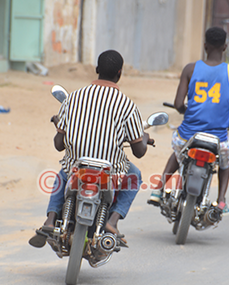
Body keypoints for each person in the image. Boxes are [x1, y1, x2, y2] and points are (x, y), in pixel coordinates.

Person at [29, 50, 152, 248]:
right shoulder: (127, 106)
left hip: (78, 165)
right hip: (110, 169)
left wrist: (59, 126)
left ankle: (50, 220)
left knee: (63, 173)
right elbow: (139, 151)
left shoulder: (73, 99)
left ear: (96, 70)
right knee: (134, 175)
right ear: (120, 73)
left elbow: (59, 145)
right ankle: (112, 222)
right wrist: (143, 138)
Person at [147, 27, 229, 215]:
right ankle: (221, 201)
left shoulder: (190, 69)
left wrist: (188, 111)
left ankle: (159, 189)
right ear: (225, 47)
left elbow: (178, 104)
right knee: (226, 160)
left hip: (188, 134)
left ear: (205, 46)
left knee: (178, 153)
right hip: (217, 138)